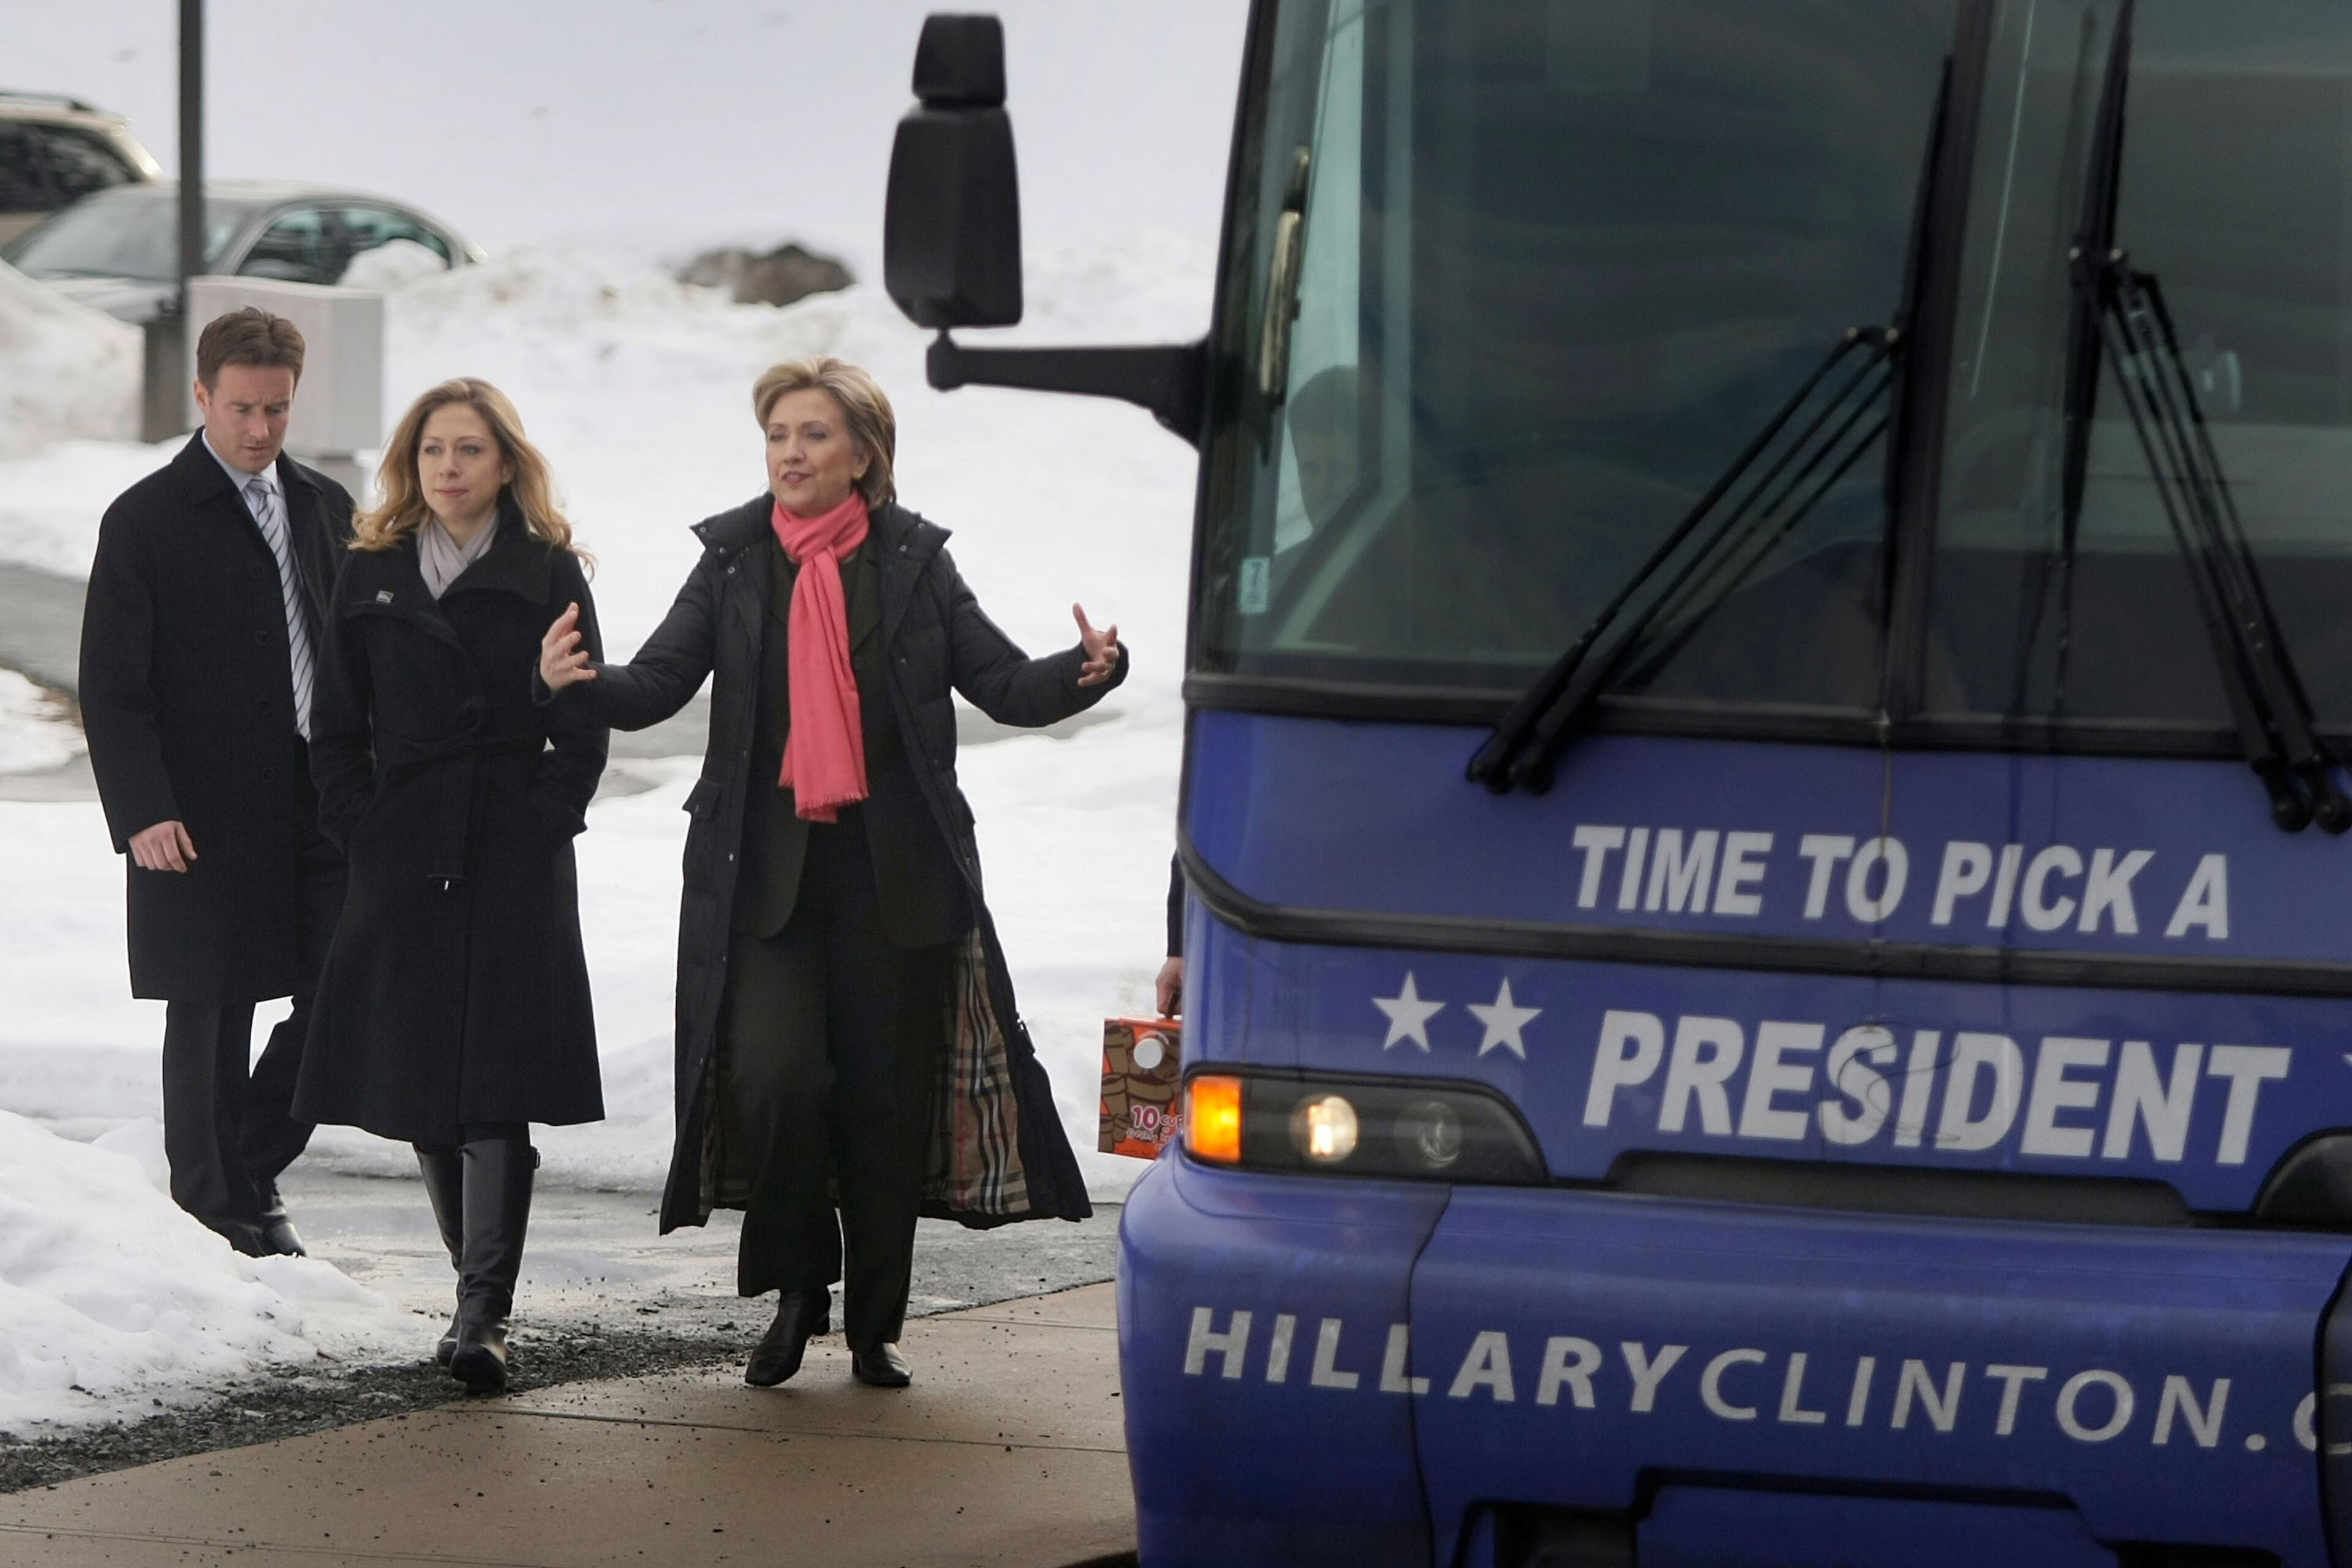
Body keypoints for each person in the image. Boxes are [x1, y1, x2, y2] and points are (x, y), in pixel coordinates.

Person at [537, 356, 1124, 1389]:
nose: (791, 455)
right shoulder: (733, 557)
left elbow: (998, 683)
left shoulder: (913, 560)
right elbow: (662, 680)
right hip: (762, 879)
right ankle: (800, 1286)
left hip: (892, 880)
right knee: (776, 1079)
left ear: (863, 453)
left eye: (813, 436)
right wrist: (577, 686)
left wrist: (1087, 673)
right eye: (778, 436)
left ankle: (872, 1326)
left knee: (881, 1105)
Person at [296, 379, 609, 1396]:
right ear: (411, 462)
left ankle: (483, 1312)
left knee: (494, 1078)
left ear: (505, 464)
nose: (449, 468)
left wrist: (545, 817)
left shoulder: (547, 569)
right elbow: (337, 722)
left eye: (470, 450)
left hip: (510, 847)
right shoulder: (373, 571)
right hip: (403, 845)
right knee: (426, 1075)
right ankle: (471, 1294)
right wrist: (361, 823)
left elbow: (586, 718)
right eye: (433, 450)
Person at [79, 307, 354, 1257]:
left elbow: (351, 651)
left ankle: (248, 1155)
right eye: (241, 408)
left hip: (322, 794)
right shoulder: (148, 520)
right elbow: (112, 685)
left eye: (276, 409)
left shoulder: (326, 507)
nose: (259, 429)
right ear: (203, 396)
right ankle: (212, 1199)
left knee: (344, 981)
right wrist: (143, 810)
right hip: (199, 804)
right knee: (212, 1000)